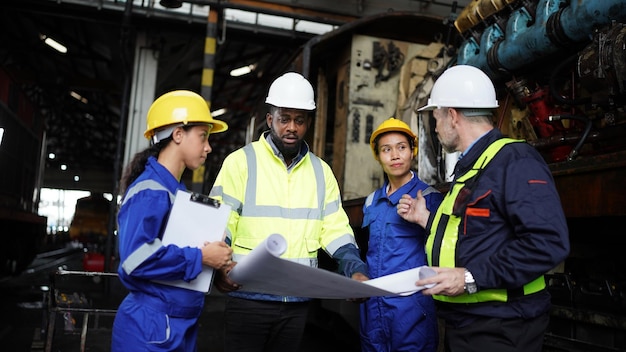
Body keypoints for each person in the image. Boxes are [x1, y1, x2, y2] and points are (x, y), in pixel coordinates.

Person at [397, 65, 570, 352]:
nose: (436, 127)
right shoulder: (475, 165)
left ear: (452, 115)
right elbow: (476, 231)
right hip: (470, 323)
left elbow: (547, 242)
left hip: (504, 327)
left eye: (436, 117)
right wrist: (428, 219)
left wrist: (468, 278)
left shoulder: (515, 160)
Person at [209, 71, 369, 352]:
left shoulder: (321, 172)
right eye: (284, 119)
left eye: (299, 120)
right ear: (270, 120)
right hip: (248, 297)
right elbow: (221, 221)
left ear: (309, 122)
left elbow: (335, 229)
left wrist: (354, 270)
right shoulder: (240, 163)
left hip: (297, 302)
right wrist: (221, 268)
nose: (291, 127)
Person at [111, 90, 234, 352]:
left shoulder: (175, 193)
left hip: (173, 325)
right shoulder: (150, 191)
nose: (208, 147)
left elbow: (175, 253)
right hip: (150, 328)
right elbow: (134, 260)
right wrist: (201, 258)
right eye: (203, 137)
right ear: (178, 134)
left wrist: (217, 264)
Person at [360, 117, 442, 352]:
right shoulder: (371, 202)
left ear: (413, 151)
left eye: (402, 147)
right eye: (386, 150)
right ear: (378, 156)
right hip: (373, 306)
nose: (395, 155)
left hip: (411, 308)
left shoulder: (429, 197)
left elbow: (445, 245)